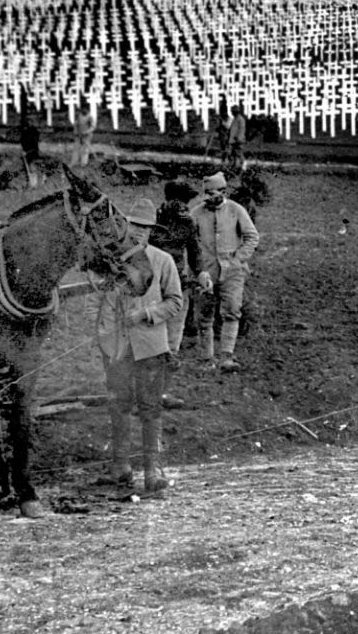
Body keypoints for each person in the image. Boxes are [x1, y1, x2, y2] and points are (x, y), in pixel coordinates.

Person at [89, 197, 184, 494]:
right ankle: (120, 467)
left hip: (150, 346)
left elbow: (176, 302)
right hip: (117, 346)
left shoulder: (162, 261)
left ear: (151, 231)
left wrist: (145, 314)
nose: (139, 232)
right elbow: (98, 291)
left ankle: (151, 470)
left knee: (150, 407)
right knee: (118, 404)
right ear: (125, 227)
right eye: (134, 226)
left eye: (145, 228)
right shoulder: (112, 260)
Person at [192, 171, 260, 372]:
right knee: (204, 315)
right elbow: (191, 242)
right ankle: (207, 359)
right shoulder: (196, 213)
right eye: (206, 194)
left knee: (231, 311)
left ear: (223, 191)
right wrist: (197, 268)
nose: (209, 198)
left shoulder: (235, 210)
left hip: (232, 272)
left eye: (213, 193)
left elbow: (252, 237)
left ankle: (227, 357)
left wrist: (238, 260)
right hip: (206, 272)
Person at [153, 180, 202, 410]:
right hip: (152, 288)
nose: (182, 207)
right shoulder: (152, 222)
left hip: (178, 287)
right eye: (180, 201)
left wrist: (201, 273)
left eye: (185, 203)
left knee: (172, 341)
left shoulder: (188, 224)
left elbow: (194, 252)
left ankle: (161, 393)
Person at [18, 114, 43, 188]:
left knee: (32, 168)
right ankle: (30, 182)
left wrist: (28, 151)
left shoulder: (34, 132)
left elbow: (34, 144)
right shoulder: (25, 131)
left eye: (30, 121)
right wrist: (23, 150)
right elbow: (22, 141)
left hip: (31, 152)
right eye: (28, 121)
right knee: (27, 168)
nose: (29, 122)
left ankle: (34, 183)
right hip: (26, 152)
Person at [225, 106, 248, 172]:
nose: (232, 112)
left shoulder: (240, 119)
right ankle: (235, 165)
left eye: (233, 111)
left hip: (238, 140)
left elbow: (241, 129)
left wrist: (239, 138)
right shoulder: (235, 119)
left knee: (239, 152)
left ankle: (244, 164)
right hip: (233, 140)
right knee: (234, 153)